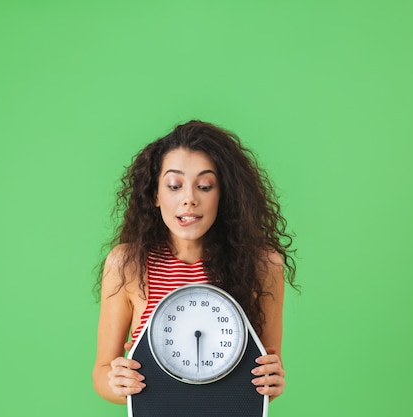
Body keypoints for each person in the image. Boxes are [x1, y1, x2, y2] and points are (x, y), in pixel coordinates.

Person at [92, 120, 296, 405]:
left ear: (224, 194)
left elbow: (265, 374)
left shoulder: (263, 265)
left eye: (204, 186)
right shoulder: (127, 264)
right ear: (155, 195)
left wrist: (272, 381)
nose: (189, 199)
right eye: (174, 186)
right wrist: (118, 381)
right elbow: (102, 372)